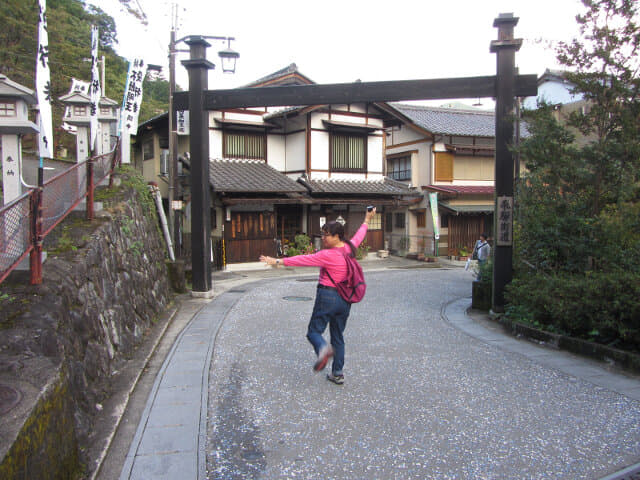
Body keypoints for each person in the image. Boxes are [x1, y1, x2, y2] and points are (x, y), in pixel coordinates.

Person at [259, 207, 376, 385]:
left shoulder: (327, 255)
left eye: (326, 235)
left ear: (337, 236)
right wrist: (367, 219)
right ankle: (337, 373)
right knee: (338, 336)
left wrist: (276, 261)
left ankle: (323, 349)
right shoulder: (350, 248)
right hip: (345, 299)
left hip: (328, 296)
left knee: (313, 332)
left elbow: (301, 260)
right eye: (322, 235)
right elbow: (360, 234)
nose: (323, 238)